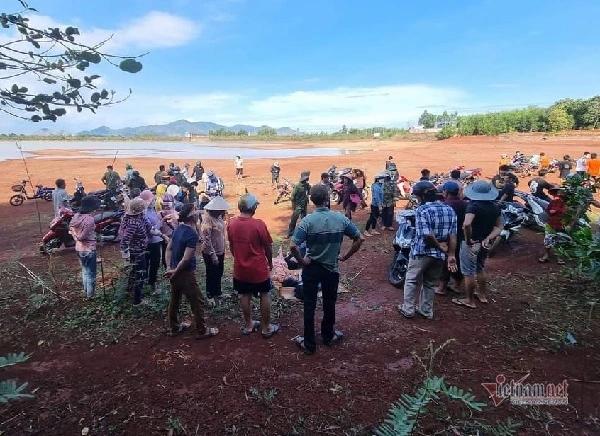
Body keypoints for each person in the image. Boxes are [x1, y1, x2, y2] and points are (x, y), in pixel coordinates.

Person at [290, 184, 363, 354]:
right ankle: (328, 336)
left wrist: (302, 261)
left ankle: (309, 344)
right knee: (329, 304)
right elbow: (359, 239)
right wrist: (345, 257)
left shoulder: (307, 221)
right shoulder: (340, 219)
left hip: (311, 269)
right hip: (331, 269)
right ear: (327, 199)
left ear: (312, 201)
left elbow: (293, 245)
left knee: (309, 305)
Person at [398, 181, 457, 319]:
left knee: (411, 279)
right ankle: (426, 310)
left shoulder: (422, 210)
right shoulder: (449, 209)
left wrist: (438, 245)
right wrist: (451, 254)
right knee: (430, 283)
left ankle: (408, 309)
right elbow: (453, 235)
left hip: (422, 251)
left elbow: (427, 234)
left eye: (417, 196)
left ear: (422, 196)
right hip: (440, 255)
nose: (417, 199)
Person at [227, 194, 279, 338]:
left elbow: (231, 246)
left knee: (244, 294)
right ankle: (266, 328)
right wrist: (270, 263)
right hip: (258, 269)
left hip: (240, 269)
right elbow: (268, 247)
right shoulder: (258, 224)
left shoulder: (231, 223)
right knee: (265, 294)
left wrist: (239, 258)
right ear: (253, 207)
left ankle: (249, 325)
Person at [165, 203, 219, 339]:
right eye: (196, 212)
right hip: (184, 273)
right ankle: (202, 330)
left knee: (175, 300)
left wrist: (169, 268)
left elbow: (169, 249)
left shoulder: (178, 228)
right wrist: (175, 272)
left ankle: (175, 327)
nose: (198, 214)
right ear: (193, 217)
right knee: (197, 300)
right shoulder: (192, 234)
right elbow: (186, 259)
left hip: (174, 270)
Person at [453, 181, 502, 309]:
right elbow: (499, 227)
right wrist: (488, 238)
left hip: (472, 243)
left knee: (468, 271)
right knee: (480, 267)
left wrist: (468, 239)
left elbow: (467, 224)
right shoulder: (495, 207)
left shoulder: (473, 206)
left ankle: (469, 300)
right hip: (485, 242)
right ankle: (482, 295)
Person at [119, 197, 153, 305]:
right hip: (137, 251)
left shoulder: (139, 217)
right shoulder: (133, 222)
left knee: (134, 271)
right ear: (141, 209)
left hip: (140, 249)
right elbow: (125, 239)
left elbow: (149, 227)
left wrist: (161, 234)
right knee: (140, 273)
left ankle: (129, 291)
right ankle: (137, 300)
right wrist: (125, 254)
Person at [436, 181, 466, 295]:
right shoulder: (465, 204)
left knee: (445, 260)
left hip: (448, 236)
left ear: (446, 192)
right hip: (462, 236)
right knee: (457, 259)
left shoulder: (445, 205)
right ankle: (457, 284)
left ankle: (441, 287)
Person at [69, 195, 101, 298]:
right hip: (89, 249)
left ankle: (86, 293)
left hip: (79, 249)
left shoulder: (76, 216)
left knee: (85, 271)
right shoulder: (89, 219)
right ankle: (90, 296)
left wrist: (75, 237)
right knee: (91, 273)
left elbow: (71, 230)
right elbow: (82, 236)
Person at [201, 196, 229, 305]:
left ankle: (218, 292)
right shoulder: (207, 220)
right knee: (211, 273)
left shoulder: (219, 217)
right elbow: (207, 240)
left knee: (219, 272)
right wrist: (213, 255)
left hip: (220, 250)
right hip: (210, 252)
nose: (223, 211)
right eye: (221, 210)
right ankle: (210, 295)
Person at [140, 190, 163, 294]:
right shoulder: (143, 213)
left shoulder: (151, 210)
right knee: (152, 263)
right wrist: (161, 222)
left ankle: (149, 282)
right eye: (151, 200)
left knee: (153, 263)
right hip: (151, 242)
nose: (153, 201)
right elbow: (150, 229)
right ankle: (151, 284)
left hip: (155, 241)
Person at [539, 187, 567, 264]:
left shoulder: (562, 202)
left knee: (558, 240)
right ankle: (548, 256)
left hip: (559, 224)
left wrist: (556, 211)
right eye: (556, 193)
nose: (557, 195)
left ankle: (556, 257)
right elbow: (549, 210)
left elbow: (563, 212)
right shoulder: (554, 202)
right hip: (552, 223)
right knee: (549, 239)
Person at [287, 171, 311, 237]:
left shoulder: (307, 185)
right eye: (307, 177)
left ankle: (304, 233)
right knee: (294, 219)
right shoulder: (297, 186)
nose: (307, 179)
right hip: (298, 206)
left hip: (304, 205)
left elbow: (309, 193)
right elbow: (292, 197)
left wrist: (309, 189)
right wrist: (293, 206)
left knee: (304, 220)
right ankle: (290, 233)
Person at [159, 193, 178, 269]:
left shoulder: (176, 214)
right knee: (168, 253)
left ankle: (170, 267)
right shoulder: (160, 214)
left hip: (169, 237)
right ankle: (169, 267)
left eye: (168, 205)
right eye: (165, 205)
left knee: (170, 252)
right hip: (167, 237)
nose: (166, 207)